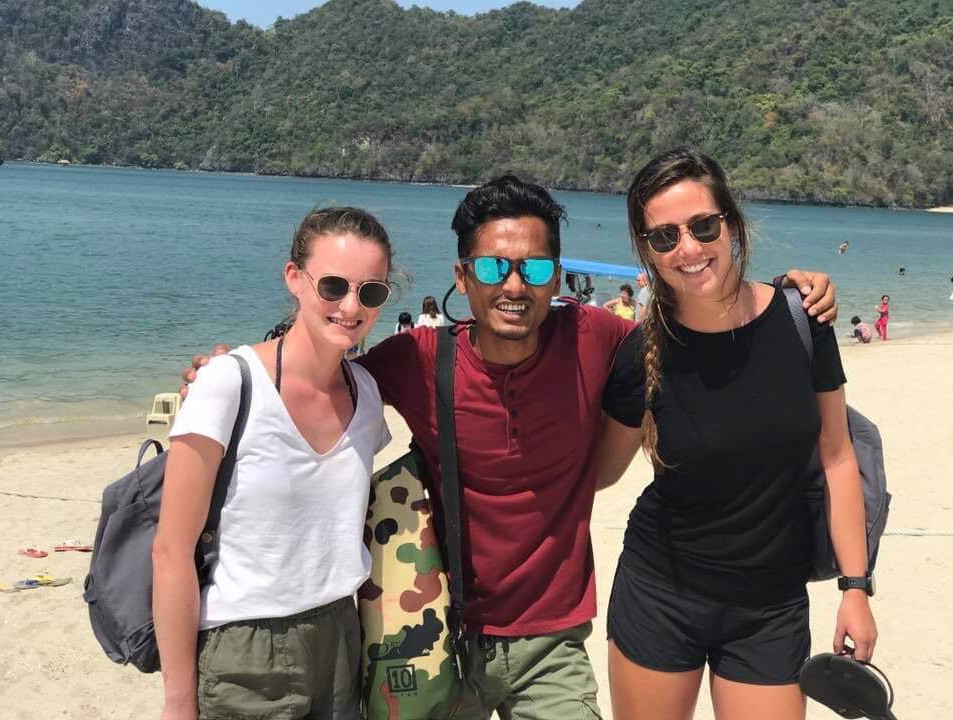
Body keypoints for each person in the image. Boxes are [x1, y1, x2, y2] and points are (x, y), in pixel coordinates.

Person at [182, 176, 839, 720]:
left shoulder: (598, 338)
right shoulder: (416, 360)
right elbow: (319, 369)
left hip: (553, 642)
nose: (515, 286)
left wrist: (783, 293)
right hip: (437, 636)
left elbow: (698, 318)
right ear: (463, 275)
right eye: (494, 267)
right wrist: (233, 368)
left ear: (557, 276)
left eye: (536, 267)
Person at [595, 148, 876, 720]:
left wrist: (855, 587)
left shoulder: (803, 319)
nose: (688, 249)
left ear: (732, 223)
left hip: (771, 607)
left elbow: (837, 456)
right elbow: (598, 473)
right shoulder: (640, 355)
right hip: (659, 593)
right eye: (664, 237)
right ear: (646, 250)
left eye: (702, 226)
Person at [154, 207, 393, 720]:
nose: (351, 306)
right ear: (294, 278)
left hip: (341, 639)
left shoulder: (366, 395)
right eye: (333, 286)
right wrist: (178, 701)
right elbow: (171, 551)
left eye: (371, 292)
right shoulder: (227, 382)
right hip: (245, 648)